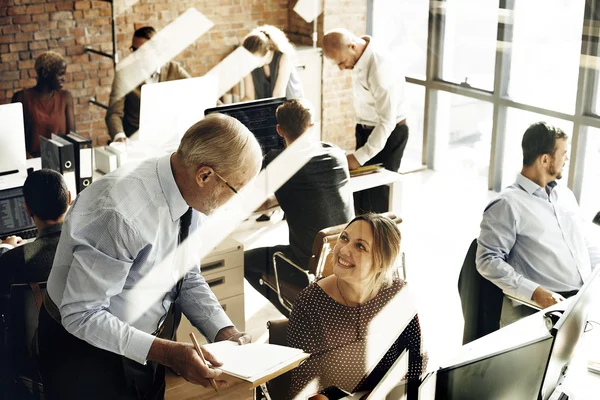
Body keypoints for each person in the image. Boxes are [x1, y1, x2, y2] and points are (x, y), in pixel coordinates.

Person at [38, 114, 263, 399]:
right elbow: (81, 314)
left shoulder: (190, 192)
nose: (237, 201)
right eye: (237, 189)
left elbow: (184, 274)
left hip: (144, 344)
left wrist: (224, 331)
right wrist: (168, 353)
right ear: (204, 175)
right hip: (84, 351)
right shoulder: (120, 214)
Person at [287, 214, 426, 400]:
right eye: (344, 238)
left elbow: (416, 359)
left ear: (381, 263)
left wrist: (387, 395)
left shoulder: (396, 293)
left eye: (360, 246)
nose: (344, 249)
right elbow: (305, 386)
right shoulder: (309, 303)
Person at [477, 122, 600, 326]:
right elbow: (487, 260)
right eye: (563, 153)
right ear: (545, 159)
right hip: (541, 310)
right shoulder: (508, 204)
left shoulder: (565, 195)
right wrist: (535, 293)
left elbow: (582, 241)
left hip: (580, 301)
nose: (566, 159)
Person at [244, 99, 354, 316]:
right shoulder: (336, 153)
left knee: (243, 262)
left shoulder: (277, 161)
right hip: (347, 254)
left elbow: (253, 202)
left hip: (307, 260)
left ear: (279, 130)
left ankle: (300, 315)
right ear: (312, 126)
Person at [322, 29, 409, 214]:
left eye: (342, 62)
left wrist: (359, 156)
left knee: (378, 199)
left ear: (352, 46)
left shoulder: (379, 66)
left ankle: (380, 242)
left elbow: (387, 121)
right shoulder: (358, 55)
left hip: (389, 134)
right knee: (360, 195)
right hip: (366, 129)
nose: (341, 68)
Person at [105, 26, 191, 142]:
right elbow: (114, 113)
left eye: (142, 51)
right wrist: (119, 136)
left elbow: (198, 92)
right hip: (136, 138)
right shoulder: (124, 74)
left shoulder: (173, 69)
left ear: (157, 51)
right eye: (134, 50)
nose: (136, 55)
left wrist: (222, 111)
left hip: (169, 137)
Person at [0, 169, 70, 290]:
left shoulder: (14, 259)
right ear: (69, 198)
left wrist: (6, 248)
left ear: (27, 209)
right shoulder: (90, 242)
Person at [11, 51, 75, 158]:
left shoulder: (66, 98)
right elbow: (13, 139)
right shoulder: (21, 98)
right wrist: (28, 160)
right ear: (45, 73)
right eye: (60, 74)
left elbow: (72, 137)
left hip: (60, 160)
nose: (64, 78)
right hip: (30, 162)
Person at [242, 25, 303, 101]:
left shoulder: (284, 57)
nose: (251, 62)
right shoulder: (249, 63)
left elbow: (278, 96)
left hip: (291, 107)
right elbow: (249, 96)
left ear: (267, 50)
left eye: (254, 58)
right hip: (269, 107)